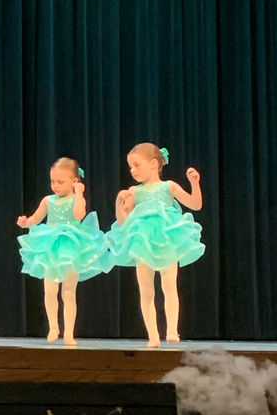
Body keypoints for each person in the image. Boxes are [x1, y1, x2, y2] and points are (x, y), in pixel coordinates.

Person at [107, 143, 204, 347]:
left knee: (169, 286)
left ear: (153, 164)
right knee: (146, 290)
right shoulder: (134, 191)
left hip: (166, 239)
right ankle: (152, 334)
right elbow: (124, 222)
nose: (132, 170)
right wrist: (119, 203)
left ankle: (172, 330)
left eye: (136, 165)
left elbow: (195, 205)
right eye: (130, 166)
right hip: (142, 240)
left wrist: (194, 183)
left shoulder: (168, 186)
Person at [16, 157, 113, 346]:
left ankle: (69, 332)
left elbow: (79, 215)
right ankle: (53, 326)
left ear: (74, 181)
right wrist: (25, 222)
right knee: (50, 289)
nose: (55, 186)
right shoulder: (48, 200)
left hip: (71, 245)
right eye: (53, 181)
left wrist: (79, 193)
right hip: (50, 246)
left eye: (60, 182)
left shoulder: (76, 199)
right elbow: (36, 219)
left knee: (68, 292)